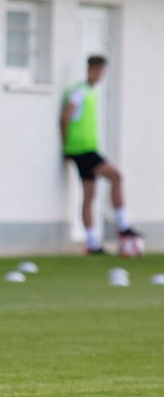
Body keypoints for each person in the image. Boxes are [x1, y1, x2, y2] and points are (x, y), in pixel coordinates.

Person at [60, 55, 140, 254]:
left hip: (85, 149)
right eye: (96, 70)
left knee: (89, 194)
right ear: (89, 69)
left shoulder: (91, 92)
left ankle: (92, 243)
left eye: (102, 72)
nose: (99, 75)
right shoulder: (79, 91)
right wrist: (65, 146)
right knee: (116, 176)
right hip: (83, 150)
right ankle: (123, 225)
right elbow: (65, 118)